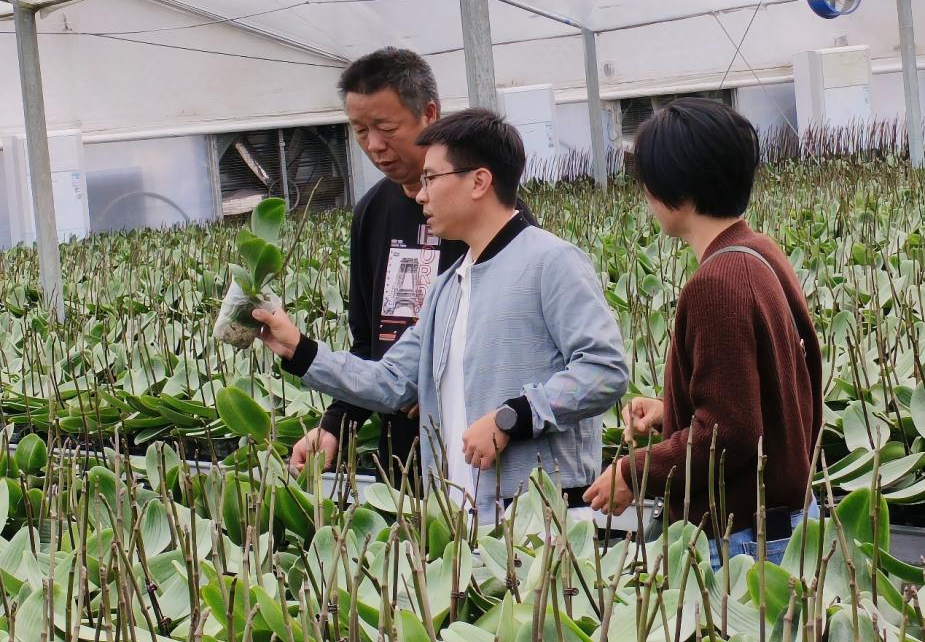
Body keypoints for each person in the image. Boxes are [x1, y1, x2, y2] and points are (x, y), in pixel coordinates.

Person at [255, 108, 627, 522]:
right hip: (459, 518)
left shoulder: (551, 262)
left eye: (431, 178)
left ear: (479, 181)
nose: (420, 195)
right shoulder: (447, 287)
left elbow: (604, 370)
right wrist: (298, 349)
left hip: (542, 518)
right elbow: (391, 381)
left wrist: (513, 417)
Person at [583, 98, 822, 569]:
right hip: (784, 524)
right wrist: (671, 410)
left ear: (676, 186)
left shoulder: (716, 284)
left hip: (745, 543)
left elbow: (729, 434)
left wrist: (634, 471)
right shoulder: (760, 252)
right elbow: (768, 395)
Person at [288, 47, 535, 483]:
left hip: (481, 453)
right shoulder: (371, 213)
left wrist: (442, 382)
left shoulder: (488, 216)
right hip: (401, 456)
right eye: (360, 130)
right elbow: (369, 344)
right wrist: (335, 424)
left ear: (430, 114)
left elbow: (519, 341)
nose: (373, 145)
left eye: (386, 128)